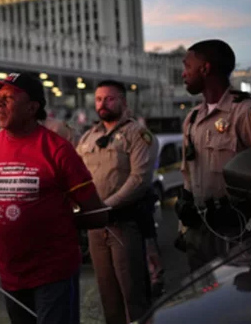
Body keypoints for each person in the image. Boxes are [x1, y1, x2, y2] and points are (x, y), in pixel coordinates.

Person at [0, 72, 107, 324]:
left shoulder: (58, 149)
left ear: (32, 107)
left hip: (53, 274)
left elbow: (96, 213)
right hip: (9, 272)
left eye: (8, 98)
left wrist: (54, 223)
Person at [77, 80, 159, 324]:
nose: (103, 104)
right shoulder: (88, 137)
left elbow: (139, 179)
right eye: (99, 99)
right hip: (96, 227)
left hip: (124, 223)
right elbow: (78, 175)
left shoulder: (138, 135)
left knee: (133, 294)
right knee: (107, 295)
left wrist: (105, 206)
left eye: (110, 98)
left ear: (124, 102)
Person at [176, 39, 251, 271]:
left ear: (205, 68)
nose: (184, 74)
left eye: (188, 66)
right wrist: (184, 225)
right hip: (200, 232)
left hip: (239, 234)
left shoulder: (245, 113)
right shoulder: (193, 118)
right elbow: (188, 175)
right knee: (200, 300)